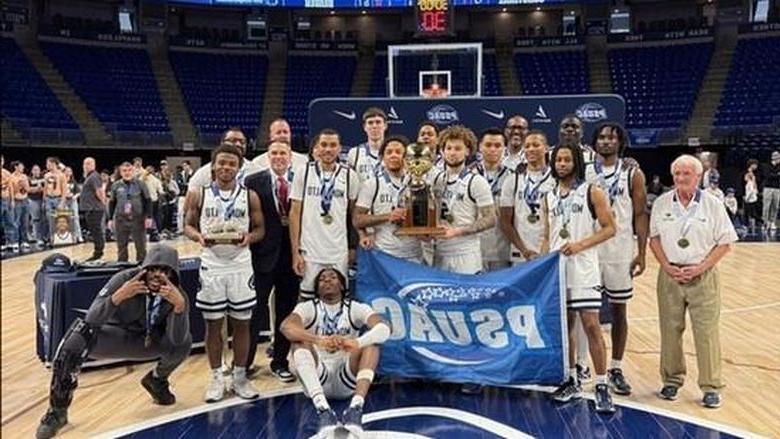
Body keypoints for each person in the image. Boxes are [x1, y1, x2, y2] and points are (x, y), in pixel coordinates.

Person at [35, 245, 192, 439]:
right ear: (144, 268)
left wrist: (179, 308)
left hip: (148, 342)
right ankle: (57, 411)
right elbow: (92, 318)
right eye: (152, 269)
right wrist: (119, 296)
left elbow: (177, 340)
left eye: (164, 271)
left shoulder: (177, 294)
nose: (157, 275)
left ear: (173, 274)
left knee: (185, 343)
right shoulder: (124, 279)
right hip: (117, 336)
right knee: (78, 335)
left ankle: (157, 380)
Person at [649, 154, 737, 408]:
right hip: (670, 275)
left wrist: (701, 267)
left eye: (685, 173)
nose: (680, 178)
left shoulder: (712, 204)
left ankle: (711, 386)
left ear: (698, 176)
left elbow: (725, 243)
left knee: (706, 332)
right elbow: (654, 238)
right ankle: (671, 380)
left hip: (703, 275)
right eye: (676, 173)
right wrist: (666, 266)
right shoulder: (663, 203)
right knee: (670, 330)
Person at [184, 142, 265, 403]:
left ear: (239, 168)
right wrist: (199, 236)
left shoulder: (249, 195)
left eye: (232, 163)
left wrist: (248, 237)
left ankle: (240, 376)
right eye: (222, 162)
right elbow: (187, 225)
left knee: (242, 323)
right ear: (213, 165)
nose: (226, 167)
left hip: (240, 264)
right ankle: (217, 377)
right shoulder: (200, 194)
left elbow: (260, 229)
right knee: (214, 324)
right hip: (212, 264)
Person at [541, 142, 617, 413]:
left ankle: (601, 383)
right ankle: (571, 379)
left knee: (591, 324)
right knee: (566, 327)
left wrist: (580, 245)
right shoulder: (548, 195)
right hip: (558, 268)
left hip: (584, 266)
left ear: (576, 162)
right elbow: (547, 234)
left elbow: (610, 229)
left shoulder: (591, 191)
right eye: (558, 160)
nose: (562, 163)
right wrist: (542, 264)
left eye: (567, 159)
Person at [281, 267, 390, 437]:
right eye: (322, 279)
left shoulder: (355, 308)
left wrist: (355, 342)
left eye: (332, 277)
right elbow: (286, 327)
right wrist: (318, 340)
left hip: (346, 377)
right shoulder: (307, 307)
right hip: (318, 377)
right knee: (299, 342)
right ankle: (324, 411)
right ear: (317, 288)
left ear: (342, 285)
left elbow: (385, 328)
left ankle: (355, 408)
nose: (327, 281)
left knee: (372, 344)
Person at [591, 122, 648, 396]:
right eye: (601, 137)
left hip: (620, 250)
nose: (605, 142)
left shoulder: (632, 173)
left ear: (620, 142)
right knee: (584, 313)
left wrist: (642, 252)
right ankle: (581, 367)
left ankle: (616, 367)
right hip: (589, 249)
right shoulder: (585, 171)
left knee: (618, 311)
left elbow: (640, 214)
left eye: (611, 138)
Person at [244, 140, 301, 382]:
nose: (278, 157)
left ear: (290, 157)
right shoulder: (253, 181)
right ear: (268, 156)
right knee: (255, 311)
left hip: (291, 256)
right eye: (274, 153)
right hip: (262, 255)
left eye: (283, 153)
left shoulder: (300, 179)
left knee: (286, 312)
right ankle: (243, 363)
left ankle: (280, 361)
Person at [289, 129, 360, 300]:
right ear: (317, 148)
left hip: (338, 250)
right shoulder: (303, 172)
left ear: (339, 149)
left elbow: (354, 215)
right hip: (310, 250)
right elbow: (294, 213)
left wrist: (352, 247)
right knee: (307, 299)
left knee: (337, 298)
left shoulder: (350, 175)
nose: (328, 149)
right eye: (324, 145)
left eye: (333, 145)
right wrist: (295, 252)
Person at [431, 125, 496, 275]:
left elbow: (491, 219)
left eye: (458, 148)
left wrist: (457, 231)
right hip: (440, 250)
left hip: (466, 252)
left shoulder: (476, 181)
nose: (452, 153)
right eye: (448, 148)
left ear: (467, 151)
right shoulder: (437, 180)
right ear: (442, 151)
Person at [353, 135, 423, 262]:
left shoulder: (419, 183)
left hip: (414, 254)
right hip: (384, 253)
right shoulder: (372, 184)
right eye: (389, 152)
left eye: (398, 152)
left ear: (407, 157)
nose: (393, 155)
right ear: (382, 158)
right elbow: (357, 220)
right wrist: (388, 216)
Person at [499, 131, 555, 264]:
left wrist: (545, 249)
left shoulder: (556, 179)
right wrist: (524, 250)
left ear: (546, 148)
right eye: (527, 146)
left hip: (550, 250)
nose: (531, 149)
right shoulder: (513, 180)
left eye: (536, 145)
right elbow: (505, 222)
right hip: (521, 253)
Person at [474, 128, 512, 271]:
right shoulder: (468, 175)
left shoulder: (513, 177)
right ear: (480, 147)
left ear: (504, 149)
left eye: (497, 146)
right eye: (488, 145)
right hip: (474, 248)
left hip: (502, 249)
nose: (492, 149)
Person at [108, 162, 153, 262]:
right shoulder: (116, 185)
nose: (127, 173)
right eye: (124, 171)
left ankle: (142, 267)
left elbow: (148, 201)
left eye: (129, 170)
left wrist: (149, 217)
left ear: (133, 171)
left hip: (138, 219)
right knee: (121, 246)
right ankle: (122, 267)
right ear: (120, 172)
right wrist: (110, 219)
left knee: (141, 246)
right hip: (121, 220)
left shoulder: (141, 184)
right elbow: (112, 203)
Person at [345, 108, 388, 181]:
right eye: (370, 123)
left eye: (378, 122)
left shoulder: (394, 152)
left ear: (385, 126)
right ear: (364, 127)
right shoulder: (355, 153)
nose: (374, 126)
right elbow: (349, 181)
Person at [80, 157, 107, 261]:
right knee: (94, 230)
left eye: (88, 164)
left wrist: (103, 202)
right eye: (85, 164)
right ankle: (98, 250)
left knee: (96, 230)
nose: (86, 166)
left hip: (94, 208)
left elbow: (99, 191)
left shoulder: (94, 176)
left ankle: (98, 252)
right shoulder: (89, 177)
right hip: (90, 208)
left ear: (94, 165)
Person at [43, 157, 69, 245]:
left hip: (58, 198)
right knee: (50, 219)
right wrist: (44, 199)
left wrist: (62, 202)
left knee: (60, 219)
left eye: (48, 164)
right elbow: (45, 188)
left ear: (53, 164)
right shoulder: (46, 175)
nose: (47, 165)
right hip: (49, 198)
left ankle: (61, 238)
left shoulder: (61, 175)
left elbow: (64, 190)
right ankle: (52, 238)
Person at [11, 161, 31, 252]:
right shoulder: (12, 177)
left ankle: (24, 240)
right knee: (16, 222)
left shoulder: (24, 176)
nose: (22, 168)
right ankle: (15, 241)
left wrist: (24, 185)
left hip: (25, 200)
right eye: (21, 166)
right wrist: (18, 186)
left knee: (25, 221)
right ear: (16, 167)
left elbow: (28, 189)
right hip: (16, 200)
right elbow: (12, 190)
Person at [1, 155, 18, 253]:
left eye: (2, 160)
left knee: (10, 221)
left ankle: (12, 242)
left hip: (7, 199)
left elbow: (11, 187)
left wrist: (12, 200)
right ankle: (2, 242)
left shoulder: (7, 173)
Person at [760, 150, 780, 232]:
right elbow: (767, 176)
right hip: (768, 187)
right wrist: (777, 174)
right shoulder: (766, 165)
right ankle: (765, 222)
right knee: (766, 206)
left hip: (777, 188)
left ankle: (772, 222)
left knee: (775, 206)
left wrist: (774, 175)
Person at [63, 167, 83, 243]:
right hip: (64, 201)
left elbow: (78, 192)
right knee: (67, 219)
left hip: (72, 201)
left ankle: (79, 235)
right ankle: (69, 237)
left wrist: (75, 196)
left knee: (75, 218)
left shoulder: (73, 181)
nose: (68, 172)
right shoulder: (62, 181)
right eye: (67, 171)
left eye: (70, 171)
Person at [28, 164, 47, 245]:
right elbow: (27, 189)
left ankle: (45, 236)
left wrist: (40, 189)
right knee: (36, 219)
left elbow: (47, 188)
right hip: (33, 200)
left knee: (45, 219)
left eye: (38, 170)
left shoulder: (43, 179)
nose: (36, 171)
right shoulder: (29, 179)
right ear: (32, 171)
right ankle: (38, 237)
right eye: (35, 170)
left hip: (43, 200)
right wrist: (36, 189)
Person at [744, 159, 760, 231]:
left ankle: (752, 225)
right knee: (749, 212)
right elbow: (751, 184)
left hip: (752, 196)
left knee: (752, 212)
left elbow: (754, 184)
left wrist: (756, 190)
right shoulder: (749, 173)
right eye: (755, 165)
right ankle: (748, 225)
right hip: (749, 196)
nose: (756, 166)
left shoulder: (752, 174)